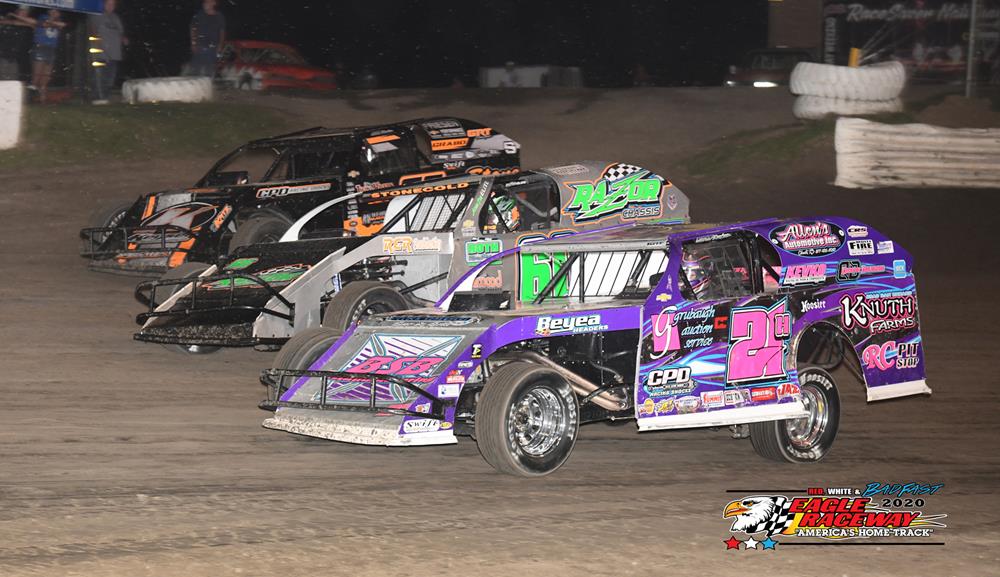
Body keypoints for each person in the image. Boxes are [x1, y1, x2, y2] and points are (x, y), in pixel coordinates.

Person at [10, 7, 65, 103]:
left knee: (46, 77)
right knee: (36, 76)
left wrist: (51, 23)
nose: (55, 13)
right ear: (49, 12)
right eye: (53, 11)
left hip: (51, 49)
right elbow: (40, 23)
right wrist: (15, 16)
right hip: (40, 47)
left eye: (57, 12)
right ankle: (26, 98)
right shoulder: (43, 18)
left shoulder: (58, 21)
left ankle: (42, 100)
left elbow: (62, 25)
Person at [87, 0, 127, 104]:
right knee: (99, 77)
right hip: (100, 52)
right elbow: (92, 29)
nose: (110, 6)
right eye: (108, 4)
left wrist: (123, 39)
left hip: (115, 54)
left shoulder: (116, 17)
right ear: (104, 4)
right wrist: (96, 42)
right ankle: (97, 98)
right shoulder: (97, 14)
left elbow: (121, 32)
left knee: (110, 78)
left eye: (112, 4)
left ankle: (105, 97)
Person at [188, 0, 225, 78]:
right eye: (204, 2)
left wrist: (220, 45)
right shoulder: (199, 15)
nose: (204, 4)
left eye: (207, 2)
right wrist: (193, 43)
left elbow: (222, 32)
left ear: (214, 3)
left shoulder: (219, 16)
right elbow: (193, 29)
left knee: (210, 70)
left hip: (213, 47)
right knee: (195, 69)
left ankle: (208, 83)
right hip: (199, 46)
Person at [0, 6, 33, 81]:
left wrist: (14, 16)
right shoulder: (7, 21)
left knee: (13, 81)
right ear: (17, 11)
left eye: (26, 12)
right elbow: (3, 22)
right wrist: (10, 17)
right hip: (2, 57)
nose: (24, 13)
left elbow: (33, 23)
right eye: (22, 11)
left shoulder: (28, 25)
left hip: (15, 59)